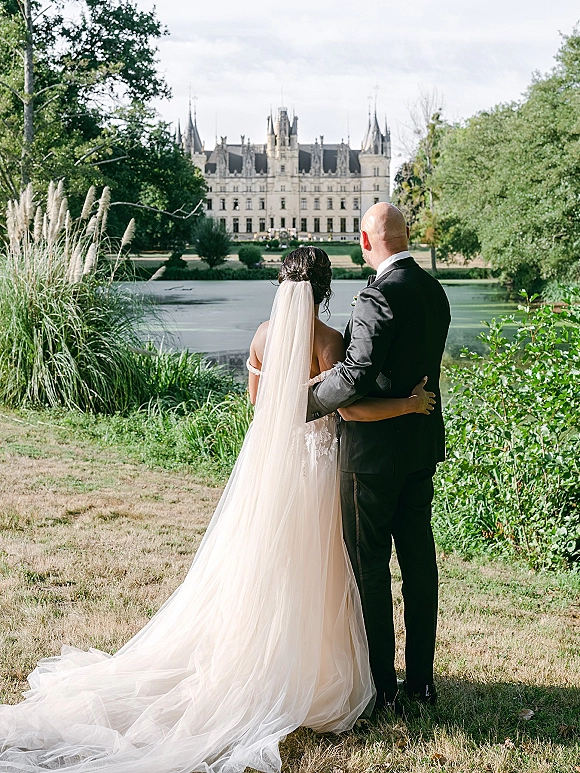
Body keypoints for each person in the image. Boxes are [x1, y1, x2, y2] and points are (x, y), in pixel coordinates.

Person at [0, 245, 436, 773]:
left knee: (260, 562)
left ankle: (258, 656)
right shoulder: (328, 340)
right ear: (324, 291)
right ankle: (317, 667)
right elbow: (349, 407)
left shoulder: (260, 335)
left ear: (281, 284)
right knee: (319, 566)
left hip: (268, 461)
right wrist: (407, 405)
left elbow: (257, 405)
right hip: (317, 463)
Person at [307, 203, 451, 711]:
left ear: (366, 243)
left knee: (369, 567)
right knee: (418, 563)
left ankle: (381, 687)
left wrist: (298, 402)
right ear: (404, 236)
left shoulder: (376, 296)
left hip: (371, 458)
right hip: (419, 448)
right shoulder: (435, 292)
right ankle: (422, 682)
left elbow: (357, 375)